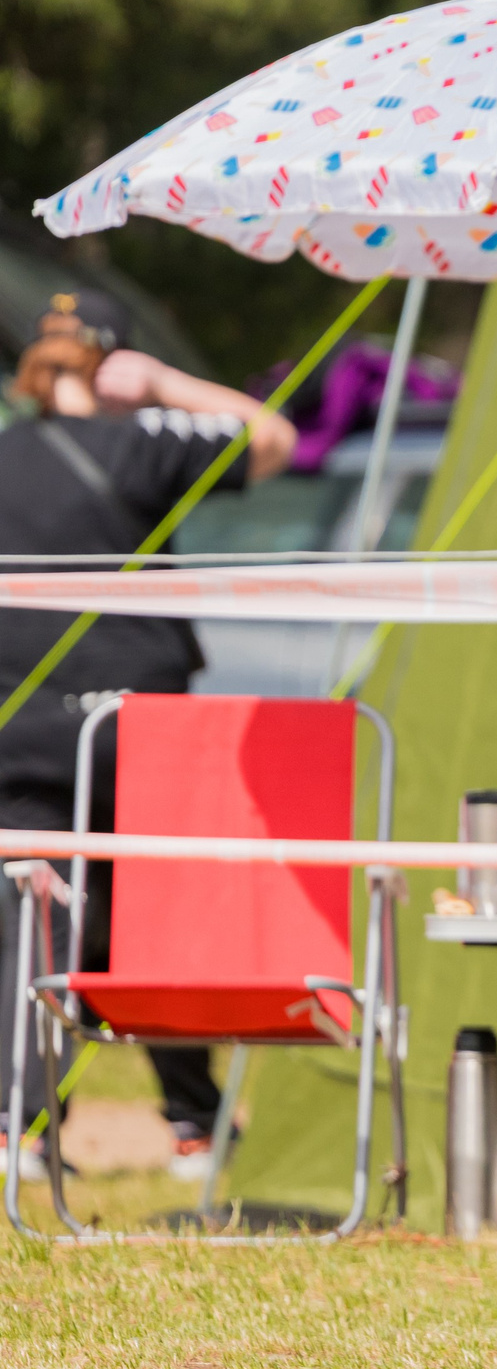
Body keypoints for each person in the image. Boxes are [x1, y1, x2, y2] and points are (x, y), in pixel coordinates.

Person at [0, 289, 297, 1182]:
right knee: (151, 914)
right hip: (139, 721)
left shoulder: (5, 454)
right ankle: (194, 1125)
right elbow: (274, 440)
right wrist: (167, 383)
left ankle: (21, 1124)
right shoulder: (146, 441)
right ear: (115, 362)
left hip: (21, 729)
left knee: (28, 910)